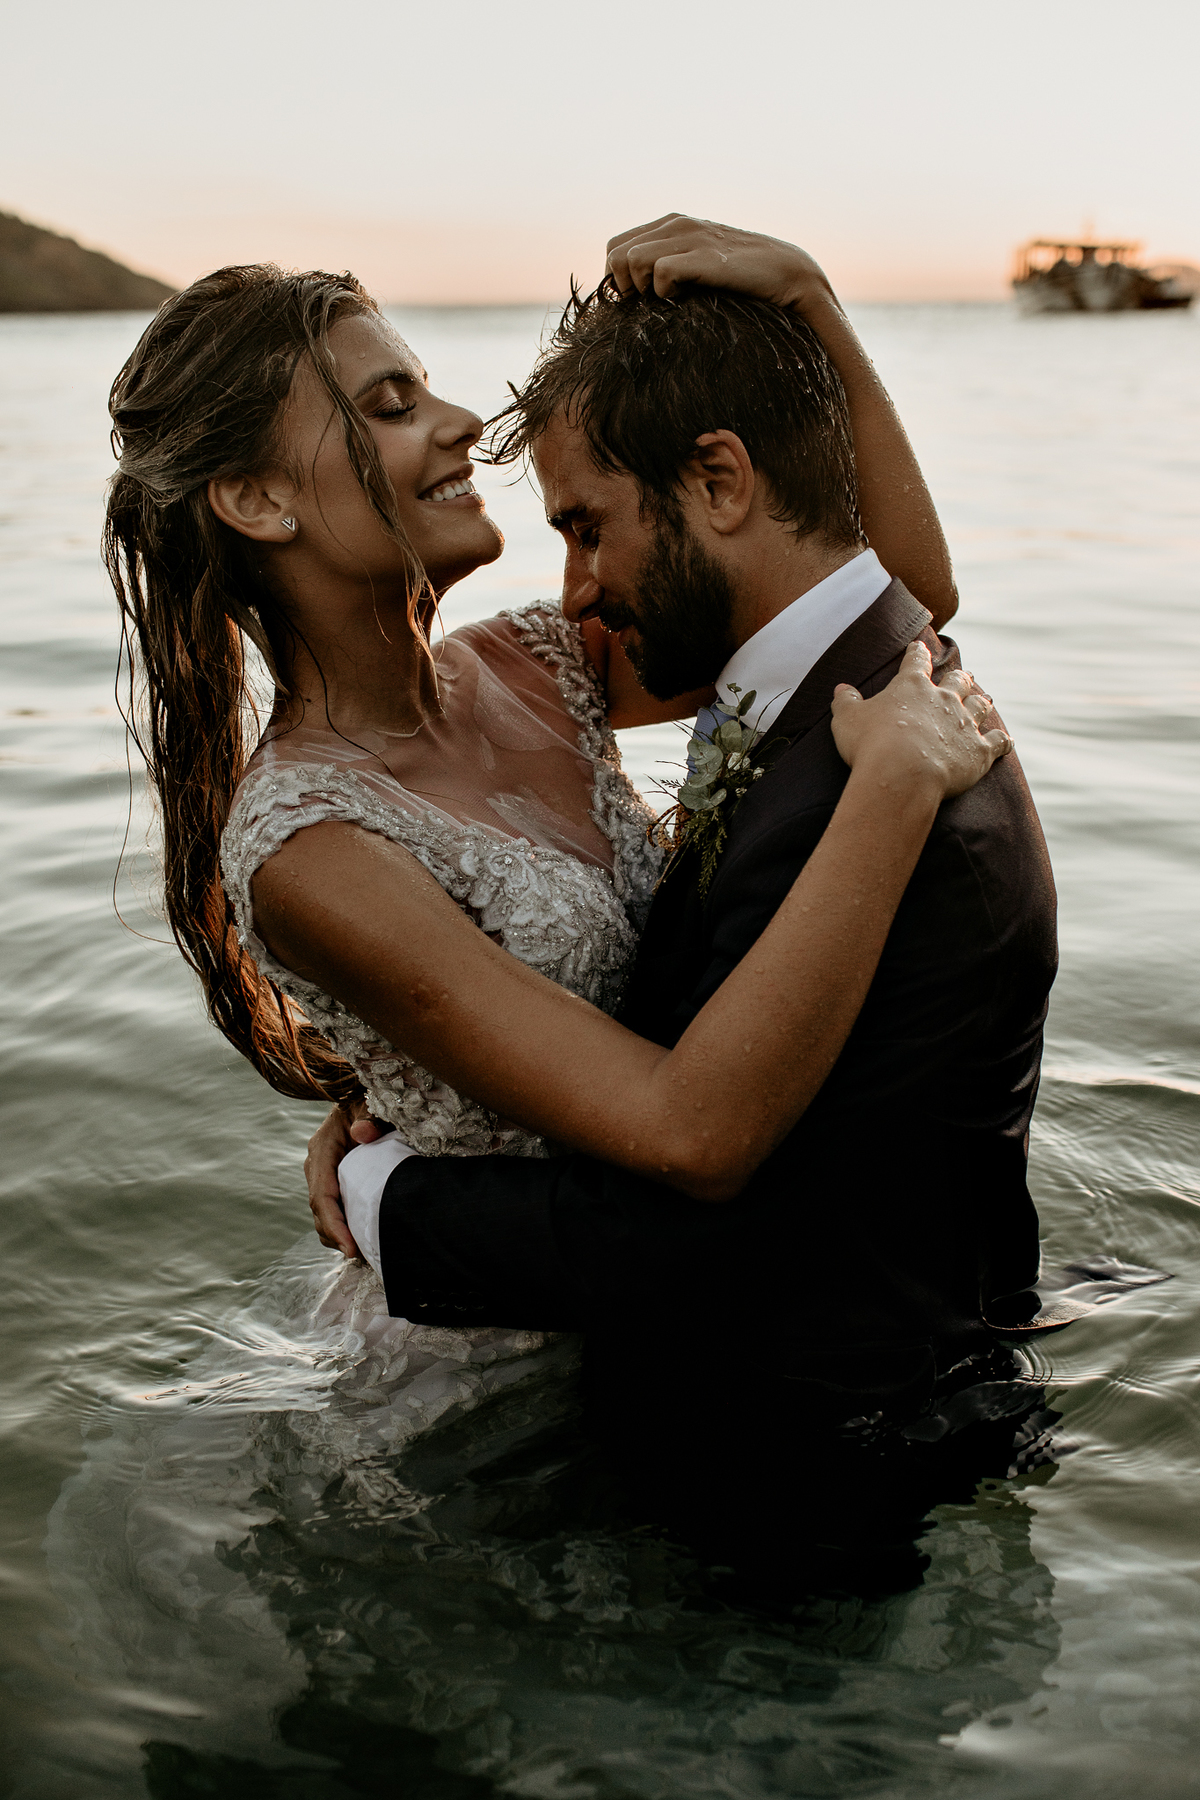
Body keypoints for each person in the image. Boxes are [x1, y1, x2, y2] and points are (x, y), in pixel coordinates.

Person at [106, 217, 1021, 1587]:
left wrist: (814, 308)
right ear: (257, 500)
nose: (462, 422)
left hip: (675, 1322)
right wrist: (891, 790)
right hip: (477, 1393)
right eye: (390, 404)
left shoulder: (536, 663)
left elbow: (872, 599)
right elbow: (687, 1128)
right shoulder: (311, 845)